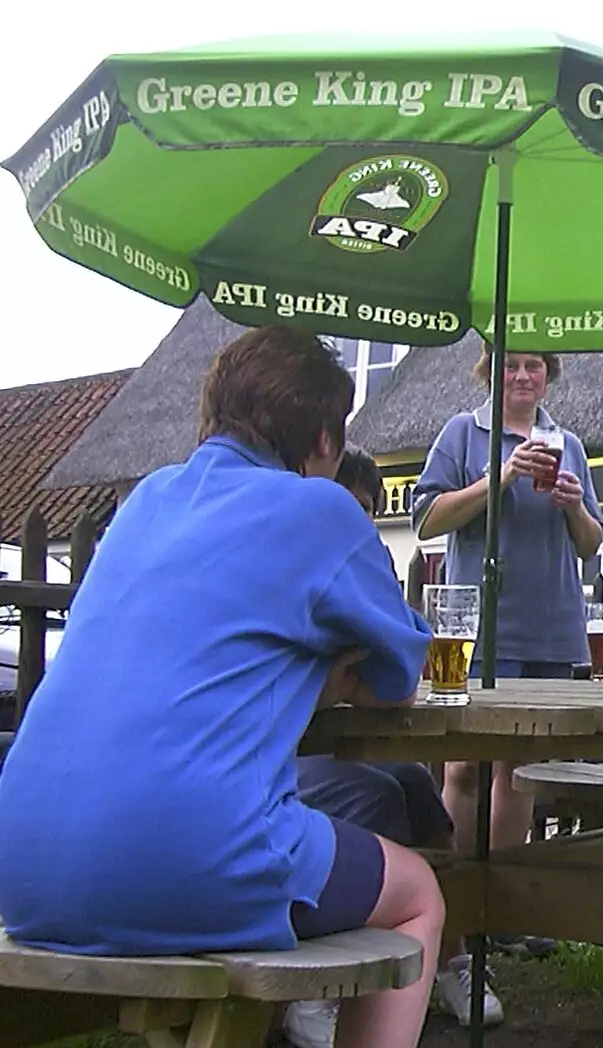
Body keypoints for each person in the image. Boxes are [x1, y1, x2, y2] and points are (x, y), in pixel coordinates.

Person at [0, 326, 443, 1048]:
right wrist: (332, 676)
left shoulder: (145, 502)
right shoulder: (320, 510)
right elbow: (401, 677)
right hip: (185, 855)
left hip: (23, 868)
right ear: (327, 442)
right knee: (419, 893)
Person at [410, 346, 603, 1022]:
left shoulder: (568, 443)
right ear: (488, 373)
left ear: (549, 375)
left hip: (551, 626)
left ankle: (504, 909)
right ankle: (457, 918)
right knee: (462, 765)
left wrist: (573, 504)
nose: (523, 376)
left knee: (520, 771)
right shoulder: (460, 435)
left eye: (536, 366)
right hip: (465, 633)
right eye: (511, 365)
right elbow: (425, 521)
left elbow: (590, 544)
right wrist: (496, 477)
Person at [284, 445, 457, 1048]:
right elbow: (396, 670)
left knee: (416, 783)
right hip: (284, 763)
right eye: (350, 506)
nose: (357, 521)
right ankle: (319, 991)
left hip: (300, 747)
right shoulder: (306, 534)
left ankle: (448, 959)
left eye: (367, 511)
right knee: (382, 802)